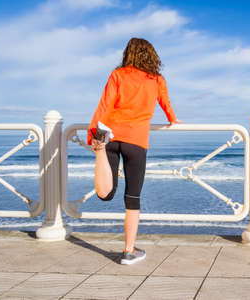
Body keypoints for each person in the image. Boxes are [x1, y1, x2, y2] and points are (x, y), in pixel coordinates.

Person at [87, 38, 180, 265]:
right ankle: (129, 251)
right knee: (133, 197)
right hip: (137, 141)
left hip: (112, 136)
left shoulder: (117, 75)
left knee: (106, 193)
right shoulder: (156, 79)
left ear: (127, 54)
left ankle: (99, 152)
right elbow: (165, 103)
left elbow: (104, 106)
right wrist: (173, 119)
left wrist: (93, 134)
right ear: (151, 55)